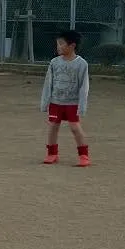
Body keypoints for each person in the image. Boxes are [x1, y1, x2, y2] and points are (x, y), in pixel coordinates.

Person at [41, 29, 91, 167]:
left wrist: (82, 105)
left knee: (75, 127)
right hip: (56, 102)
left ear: (72, 46)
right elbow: (48, 83)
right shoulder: (54, 62)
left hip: (72, 103)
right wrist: (45, 102)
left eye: (61, 44)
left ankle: (83, 155)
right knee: (52, 126)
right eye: (57, 44)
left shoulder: (82, 64)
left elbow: (84, 86)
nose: (58, 47)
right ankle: (52, 153)